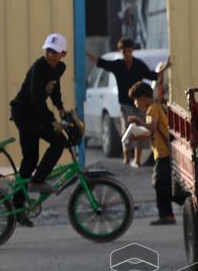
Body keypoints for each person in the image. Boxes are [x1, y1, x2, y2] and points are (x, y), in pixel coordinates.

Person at [10, 32, 69, 226]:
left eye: (55, 52)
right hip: (25, 114)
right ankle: (36, 183)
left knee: (32, 159)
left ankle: (18, 207)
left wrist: (61, 109)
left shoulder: (60, 68)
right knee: (51, 146)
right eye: (49, 51)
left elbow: (54, 88)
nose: (51, 55)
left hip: (36, 114)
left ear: (63, 54)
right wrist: (52, 121)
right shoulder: (39, 67)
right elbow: (36, 97)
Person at [88, 38, 170, 167]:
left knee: (141, 129)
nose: (127, 53)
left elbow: (152, 75)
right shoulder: (118, 65)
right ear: (121, 51)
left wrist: (166, 68)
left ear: (132, 51)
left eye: (129, 51)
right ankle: (126, 159)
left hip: (140, 104)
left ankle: (137, 160)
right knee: (126, 130)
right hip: (125, 104)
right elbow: (101, 63)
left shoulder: (139, 65)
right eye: (124, 51)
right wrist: (86, 53)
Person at [127, 81, 175, 225]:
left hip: (164, 153)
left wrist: (138, 121)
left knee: (160, 184)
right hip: (161, 153)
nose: (135, 103)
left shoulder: (152, 109)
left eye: (136, 100)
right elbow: (151, 132)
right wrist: (135, 136)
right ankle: (167, 214)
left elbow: (152, 128)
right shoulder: (154, 107)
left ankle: (167, 216)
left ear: (142, 98)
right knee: (160, 183)